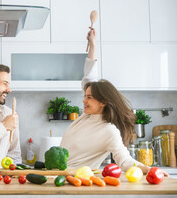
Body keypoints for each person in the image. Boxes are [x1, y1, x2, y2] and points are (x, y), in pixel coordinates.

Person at [60, 28, 169, 176]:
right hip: (58, 175)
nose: (84, 100)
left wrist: (150, 170)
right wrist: (93, 44)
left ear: (103, 102)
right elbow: (89, 76)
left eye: (89, 97)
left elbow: (125, 161)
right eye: (85, 96)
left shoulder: (109, 131)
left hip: (76, 181)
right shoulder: (87, 115)